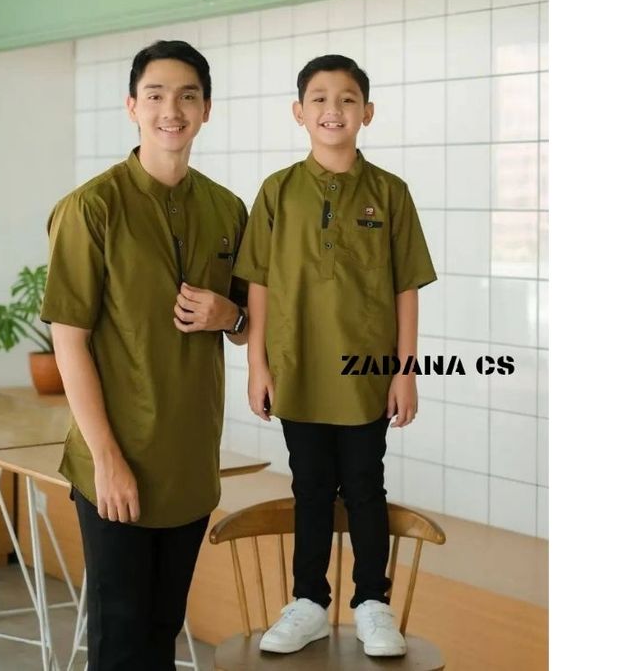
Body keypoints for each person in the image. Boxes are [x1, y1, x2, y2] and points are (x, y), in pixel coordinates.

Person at [40, 40, 249, 670]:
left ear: (206, 108)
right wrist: (107, 459)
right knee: (121, 645)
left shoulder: (227, 210)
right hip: (117, 465)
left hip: (190, 465)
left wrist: (230, 316)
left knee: (161, 635)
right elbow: (68, 340)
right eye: (155, 95)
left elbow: (249, 326)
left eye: (187, 96)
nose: (171, 110)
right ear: (132, 106)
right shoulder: (91, 209)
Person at [233, 54, 437, 658]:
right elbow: (258, 284)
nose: (333, 110)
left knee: (366, 486)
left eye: (347, 99)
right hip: (296, 369)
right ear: (298, 112)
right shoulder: (277, 191)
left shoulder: (390, 193)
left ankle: (373, 602)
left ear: (366, 113)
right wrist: (257, 365)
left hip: (365, 376)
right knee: (311, 488)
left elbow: (406, 288)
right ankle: (309, 604)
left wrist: (405, 373)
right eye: (318, 99)